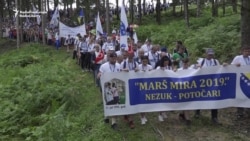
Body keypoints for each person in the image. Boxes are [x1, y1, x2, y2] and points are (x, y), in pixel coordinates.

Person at [194, 48, 221, 124]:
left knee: (214, 98)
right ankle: (197, 112)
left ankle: (214, 117)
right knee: (200, 96)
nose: (210, 55)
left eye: (211, 54)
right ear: (206, 54)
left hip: (213, 83)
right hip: (203, 83)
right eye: (209, 54)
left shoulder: (216, 61)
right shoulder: (201, 61)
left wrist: (225, 66)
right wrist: (197, 66)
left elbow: (221, 69)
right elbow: (193, 69)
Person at [98, 52, 121, 130]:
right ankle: (107, 115)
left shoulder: (118, 65)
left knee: (115, 103)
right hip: (107, 88)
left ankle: (114, 122)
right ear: (109, 58)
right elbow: (99, 74)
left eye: (115, 58)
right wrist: (99, 75)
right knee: (107, 102)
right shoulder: (104, 66)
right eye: (112, 58)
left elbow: (121, 75)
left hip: (115, 87)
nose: (114, 59)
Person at [231, 46, 250, 119]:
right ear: (242, 51)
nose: (247, 52)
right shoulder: (238, 58)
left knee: (248, 95)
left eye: (248, 51)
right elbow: (231, 67)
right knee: (240, 95)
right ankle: (240, 113)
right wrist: (236, 65)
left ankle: (248, 111)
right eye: (246, 51)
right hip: (240, 80)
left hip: (248, 80)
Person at [137, 55, 153, 124]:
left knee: (146, 102)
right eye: (143, 61)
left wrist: (151, 72)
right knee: (142, 102)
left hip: (148, 86)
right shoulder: (139, 67)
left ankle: (144, 115)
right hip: (141, 86)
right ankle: (142, 117)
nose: (145, 62)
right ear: (141, 61)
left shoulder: (150, 67)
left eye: (146, 61)